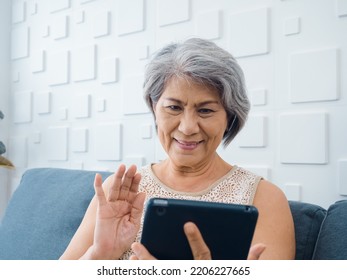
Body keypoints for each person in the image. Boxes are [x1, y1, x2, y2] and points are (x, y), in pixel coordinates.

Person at [60, 38, 295, 260]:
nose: (188, 127)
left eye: (205, 110)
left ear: (230, 118)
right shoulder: (118, 190)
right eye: (174, 107)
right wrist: (99, 254)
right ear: (154, 108)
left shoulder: (264, 198)